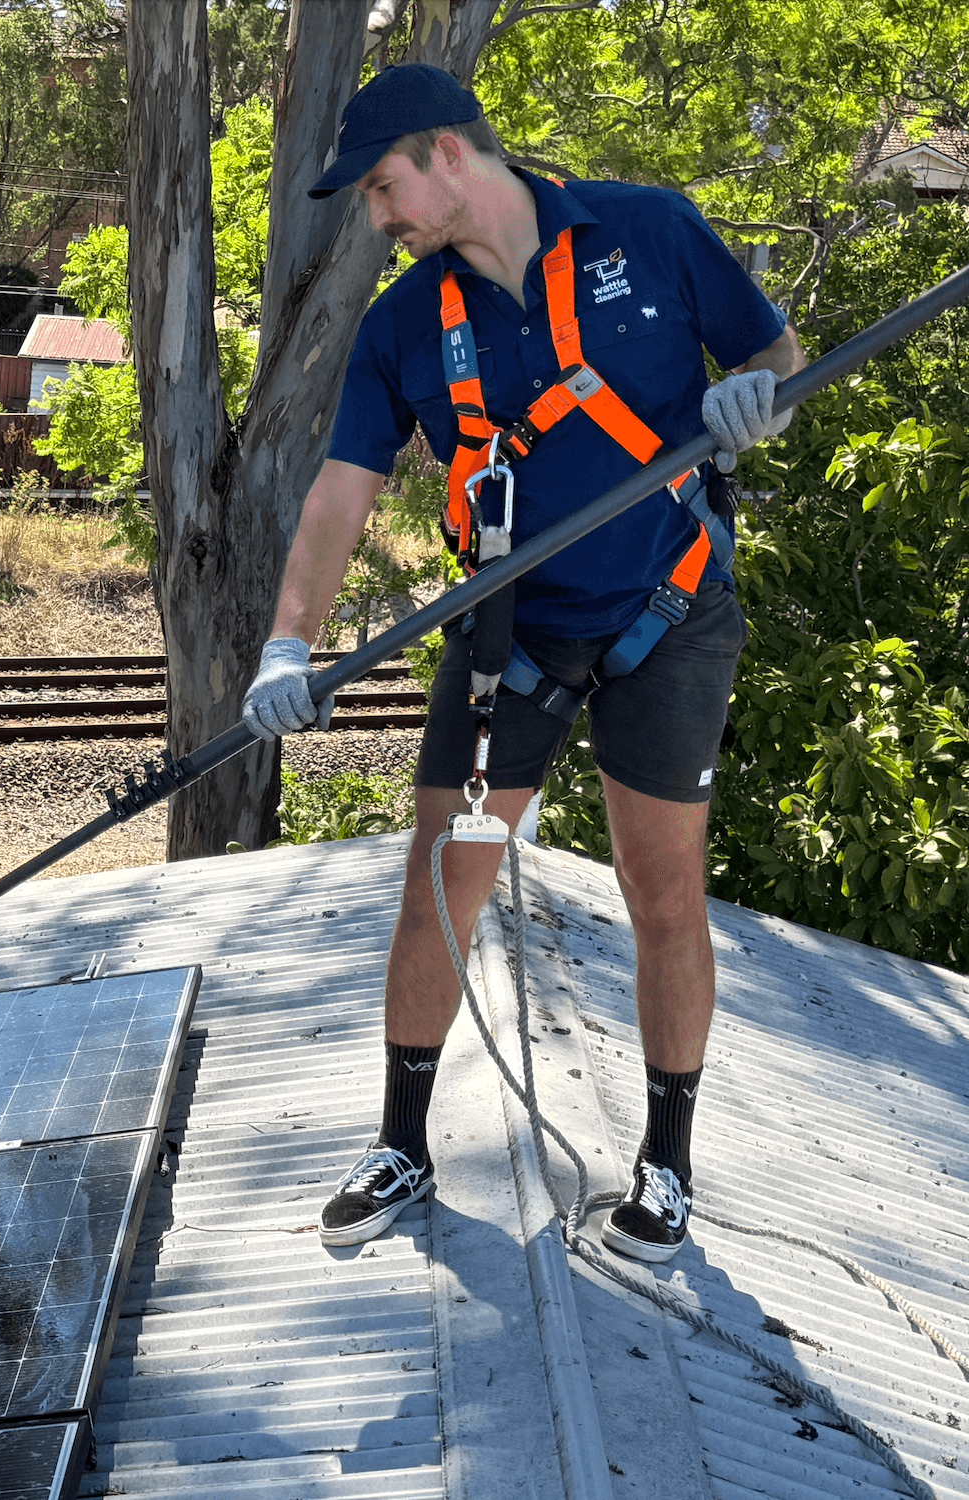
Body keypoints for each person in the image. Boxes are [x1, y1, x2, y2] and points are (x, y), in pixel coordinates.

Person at [242, 64, 804, 1263]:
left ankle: (666, 1164)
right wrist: (290, 640)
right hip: (512, 641)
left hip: (670, 615)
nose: (379, 217)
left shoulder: (647, 232)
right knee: (442, 883)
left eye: (384, 186)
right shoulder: (404, 327)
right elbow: (340, 498)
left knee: (663, 895)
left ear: (448, 153)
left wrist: (763, 397)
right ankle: (401, 1142)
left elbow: (774, 353)